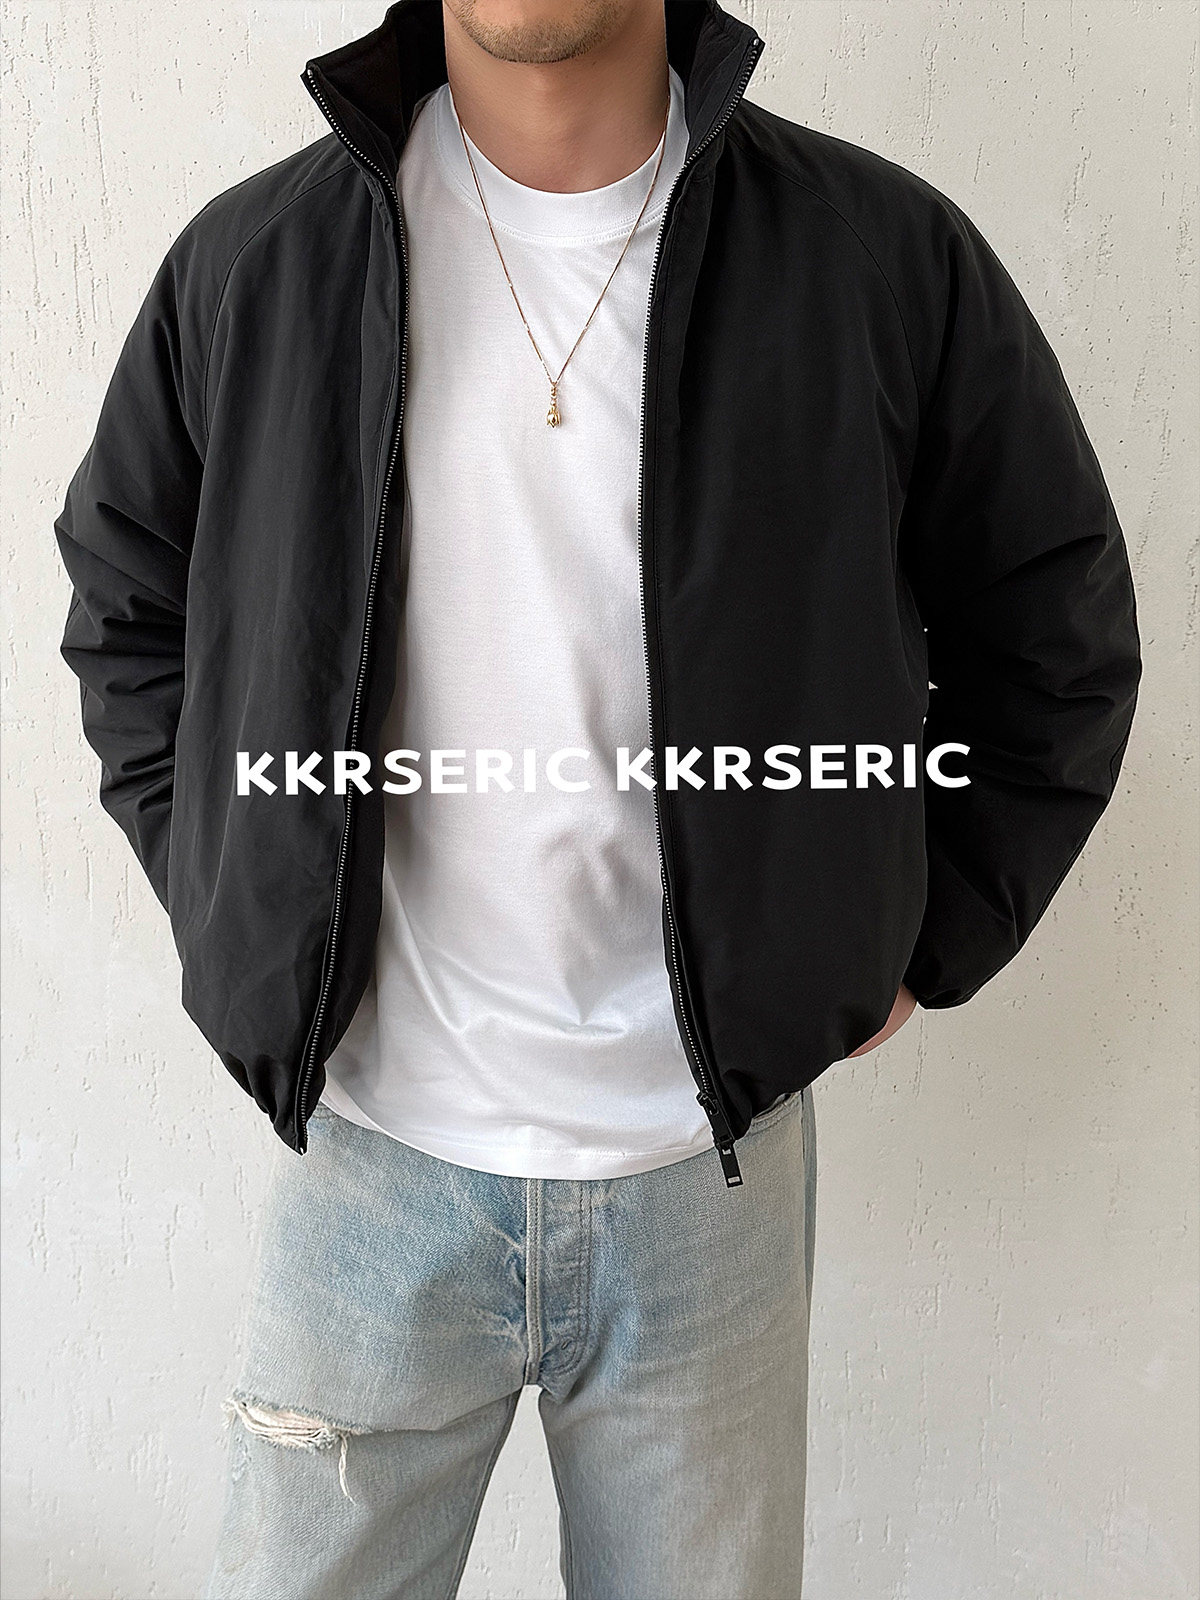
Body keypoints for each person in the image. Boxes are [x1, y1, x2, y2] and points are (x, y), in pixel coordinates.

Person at [55, 0, 1141, 1594]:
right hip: (364, 1157)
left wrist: (928, 933)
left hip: (706, 1179)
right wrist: (238, 887)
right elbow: (129, 611)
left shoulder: (876, 257)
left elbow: (1052, 629)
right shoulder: (258, 263)